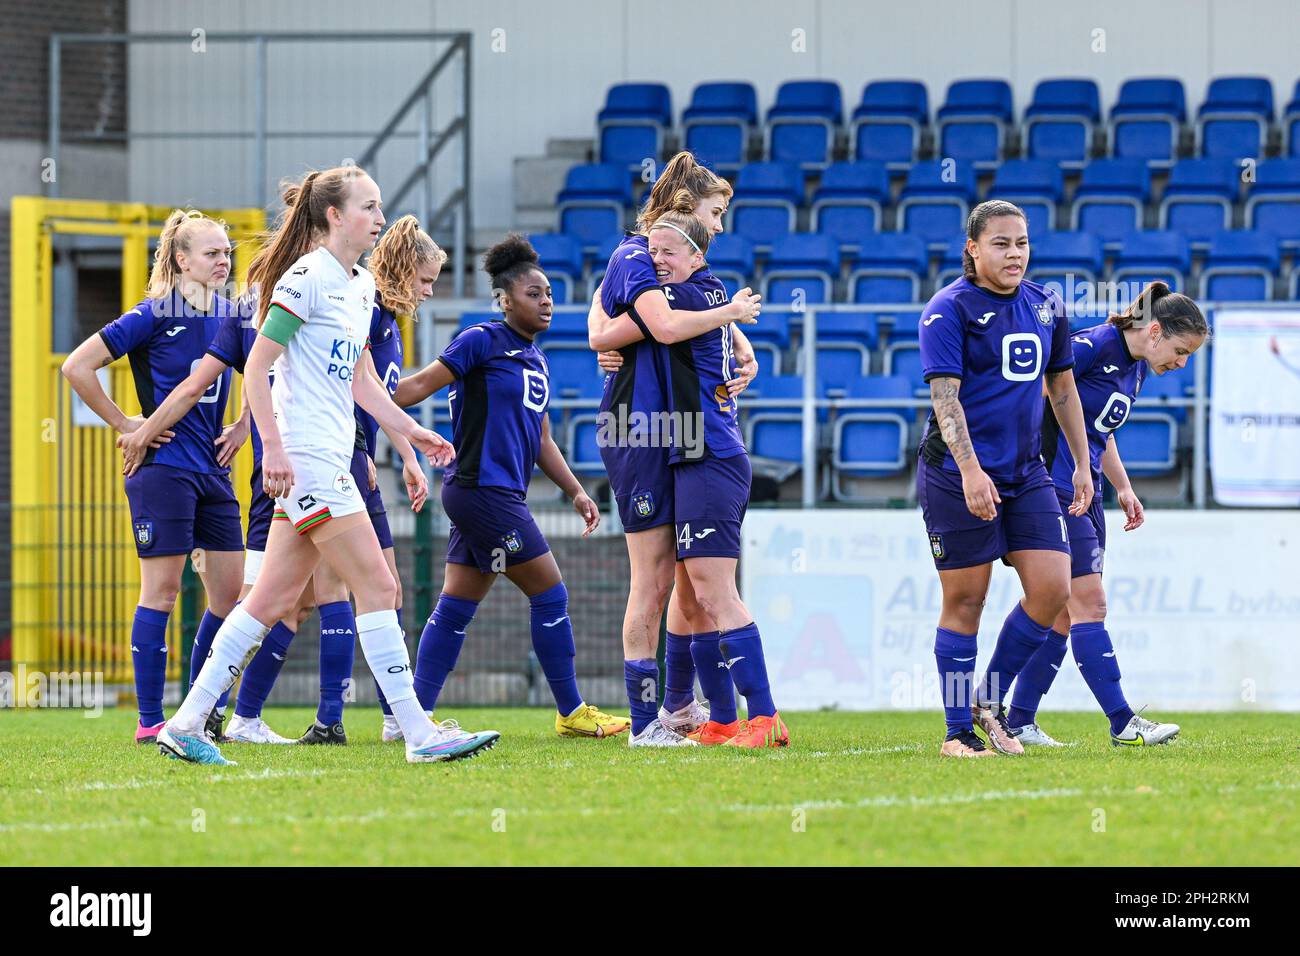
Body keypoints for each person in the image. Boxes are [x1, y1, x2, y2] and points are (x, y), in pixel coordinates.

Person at [155, 165, 497, 765]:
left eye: (380, 206)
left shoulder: (361, 285)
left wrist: (408, 430)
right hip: (310, 460)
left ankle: (185, 722)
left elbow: (361, 377)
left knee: (267, 602)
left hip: (327, 457)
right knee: (380, 585)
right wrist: (276, 449)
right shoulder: (305, 278)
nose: (379, 217)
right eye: (368, 206)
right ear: (334, 216)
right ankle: (417, 733)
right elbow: (258, 367)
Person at [392, 234, 627, 738]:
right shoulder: (480, 339)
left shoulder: (535, 359)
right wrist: (357, 389)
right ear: (505, 299)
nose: (546, 302)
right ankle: (571, 712)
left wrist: (576, 491)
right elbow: (413, 389)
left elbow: (541, 439)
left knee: (455, 606)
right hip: (481, 490)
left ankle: (409, 718)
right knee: (550, 594)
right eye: (534, 294)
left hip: (494, 494)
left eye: (548, 294)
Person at [593, 211, 786, 747]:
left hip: (710, 454)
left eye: (667, 253)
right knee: (692, 594)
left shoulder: (689, 296)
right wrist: (735, 323)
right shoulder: (705, 293)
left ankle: (764, 719)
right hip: (687, 451)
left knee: (710, 590)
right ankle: (720, 717)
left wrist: (602, 328)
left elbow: (617, 329)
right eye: (649, 253)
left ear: (697, 258)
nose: (654, 261)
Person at [61, 210, 245, 745]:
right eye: (211, 253)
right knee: (162, 594)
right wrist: (126, 423)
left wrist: (243, 425)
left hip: (213, 473)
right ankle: (150, 721)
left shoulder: (233, 315)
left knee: (229, 599)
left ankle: (197, 713)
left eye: (226, 253)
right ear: (181, 259)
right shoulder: (152, 314)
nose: (222, 261)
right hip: (162, 471)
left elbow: (263, 373)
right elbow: (76, 366)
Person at [917, 199, 1094, 758]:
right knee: (966, 601)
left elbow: (1062, 390)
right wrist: (970, 470)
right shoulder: (948, 310)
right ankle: (957, 732)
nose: (1014, 253)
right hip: (956, 473)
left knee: (1051, 590)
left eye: (1021, 243)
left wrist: (1083, 462)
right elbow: (945, 398)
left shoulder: (1047, 305)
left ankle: (986, 701)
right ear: (973, 248)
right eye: (1001, 243)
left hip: (1028, 475)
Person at [1005, 282, 1207, 747]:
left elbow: (1100, 430)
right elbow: (1042, 391)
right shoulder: (1093, 346)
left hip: (1086, 489)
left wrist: (1123, 486)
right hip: (1055, 488)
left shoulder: (1135, 369)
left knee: (1061, 613)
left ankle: (1018, 720)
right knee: (1089, 602)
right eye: (1180, 351)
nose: (1181, 363)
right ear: (1154, 331)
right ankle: (1123, 722)